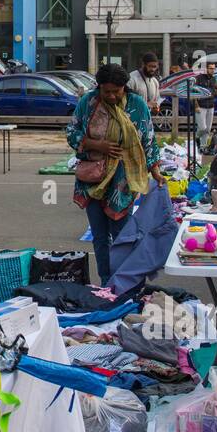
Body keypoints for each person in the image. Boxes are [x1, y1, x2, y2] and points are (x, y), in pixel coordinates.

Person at [66, 63, 163, 289]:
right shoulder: (88, 103)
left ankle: (125, 282)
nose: (111, 96)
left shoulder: (137, 105)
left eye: (116, 91)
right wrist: (96, 144)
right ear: (98, 87)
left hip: (122, 181)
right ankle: (106, 282)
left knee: (123, 237)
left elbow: (148, 140)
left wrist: (156, 172)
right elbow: (71, 133)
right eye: (106, 91)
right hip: (92, 180)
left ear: (124, 88)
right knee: (100, 237)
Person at [192, 62, 217, 148]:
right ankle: (196, 137)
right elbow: (192, 92)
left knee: (208, 129)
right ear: (206, 69)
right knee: (202, 128)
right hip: (200, 106)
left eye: (214, 68)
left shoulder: (213, 79)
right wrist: (196, 105)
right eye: (211, 68)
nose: (213, 70)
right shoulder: (198, 78)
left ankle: (203, 147)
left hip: (211, 106)